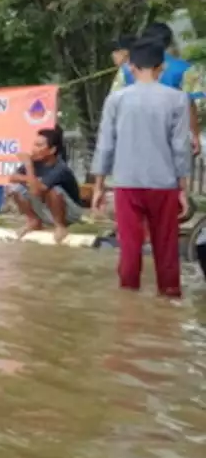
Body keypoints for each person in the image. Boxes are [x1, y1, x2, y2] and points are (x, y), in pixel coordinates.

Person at [92, 37, 192, 298]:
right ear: (161, 68)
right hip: (164, 184)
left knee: (129, 247)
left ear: (131, 67)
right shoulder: (178, 99)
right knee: (166, 248)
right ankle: (169, 297)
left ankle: (128, 303)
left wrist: (99, 186)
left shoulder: (116, 100)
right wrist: (183, 188)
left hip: (126, 183)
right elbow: (180, 147)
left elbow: (105, 144)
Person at [118, 23, 202, 155]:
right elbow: (189, 105)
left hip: (135, 136)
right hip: (172, 137)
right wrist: (195, 135)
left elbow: (116, 103)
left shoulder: (127, 69)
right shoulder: (185, 69)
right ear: (169, 42)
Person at [8, 126, 85, 243]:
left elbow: (37, 191)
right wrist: (31, 178)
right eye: (34, 144)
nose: (34, 149)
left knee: (52, 190)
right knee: (14, 188)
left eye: (39, 146)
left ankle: (60, 226)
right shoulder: (36, 161)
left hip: (70, 213)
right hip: (48, 209)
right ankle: (34, 221)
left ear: (52, 150)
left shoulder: (60, 168)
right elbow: (13, 178)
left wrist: (28, 166)